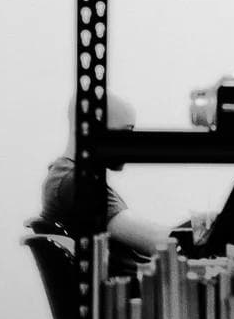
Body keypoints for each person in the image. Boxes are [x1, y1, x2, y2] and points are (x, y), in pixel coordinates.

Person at [38, 93, 173, 259]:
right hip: (131, 284)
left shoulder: (62, 177)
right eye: (126, 132)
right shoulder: (77, 184)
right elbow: (160, 244)